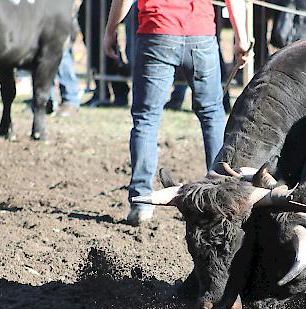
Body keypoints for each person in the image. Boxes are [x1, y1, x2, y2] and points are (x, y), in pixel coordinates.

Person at [104, 0, 251, 226]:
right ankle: (222, 195)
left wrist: (111, 30)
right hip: (201, 35)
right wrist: (241, 38)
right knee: (212, 114)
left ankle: (140, 203)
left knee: (146, 118)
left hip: (157, 32)